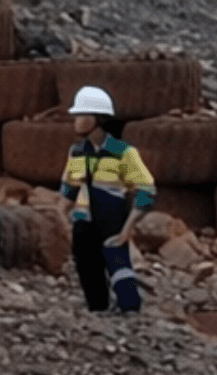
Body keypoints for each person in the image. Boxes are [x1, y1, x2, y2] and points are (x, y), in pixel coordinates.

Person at [59, 86, 155, 313]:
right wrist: (63, 218)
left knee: (121, 276)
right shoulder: (77, 152)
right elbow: (69, 190)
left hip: (112, 223)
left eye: (82, 115)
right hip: (83, 223)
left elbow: (146, 191)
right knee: (88, 273)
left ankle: (131, 318)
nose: (76, 120)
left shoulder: (123, 153)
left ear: (98, 119)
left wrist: (128, 229)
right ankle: (98, 315)